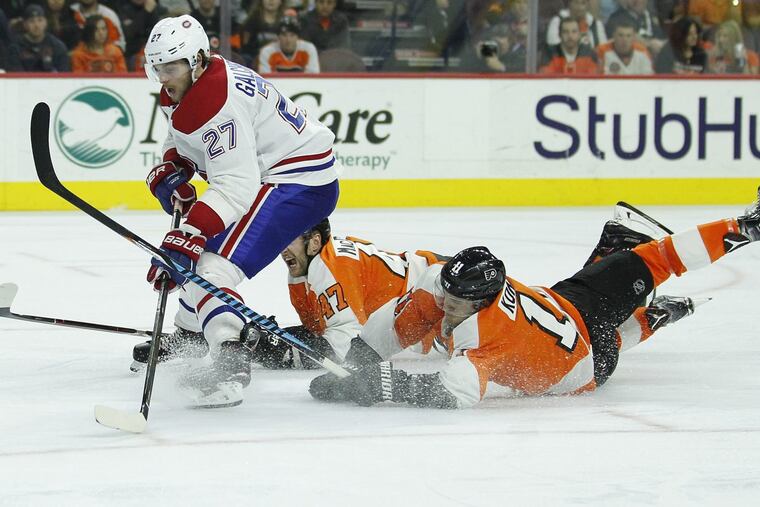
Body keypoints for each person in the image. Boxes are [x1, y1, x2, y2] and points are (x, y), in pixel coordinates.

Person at [309, 189, 760, 409]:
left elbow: (456, 392)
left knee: (641, 280)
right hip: (568, 312)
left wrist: (382, 385)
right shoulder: (447, 288)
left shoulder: (486, 336)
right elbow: (395, 324)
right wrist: (361, 360)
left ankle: (656, 312)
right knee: (638, 267)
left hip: (586, 359)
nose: (447, 303)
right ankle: (655, 301)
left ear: (484, 301)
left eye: (461, 302)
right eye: (447, 290)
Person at [131, 201, 673, 373]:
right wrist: (261, 337)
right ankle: (629, 268)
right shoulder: (316, 263)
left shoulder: (326, 272)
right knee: (565, 311)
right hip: (424, 295)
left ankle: (631, 257)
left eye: (291, 236)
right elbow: (329, 328)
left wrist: (263, 345)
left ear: (317, 239)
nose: (279, 244)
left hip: (435, 301)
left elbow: (344, 352)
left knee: (556, 318)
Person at [141, 14, 339, 408]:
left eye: (172, 66)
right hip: (275, 176)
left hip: (298, 183)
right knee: (196, 258)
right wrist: (173, 166)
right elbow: (180, 135)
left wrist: (190, 234)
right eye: (157, 66)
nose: (164, 76)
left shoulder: (218, 100)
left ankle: (230, 360)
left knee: (210, 264)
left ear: (197, 60)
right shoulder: (189, 85)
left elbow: (236, 186)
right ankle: (192, 335)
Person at [8, 3, 70, 72]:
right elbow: (16, 76)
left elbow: (64, 75)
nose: (36, 25)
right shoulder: (15, 47)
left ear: (45, 22)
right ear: (25, 24)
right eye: (31, 21)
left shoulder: (57, 46)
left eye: (40, 20)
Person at [240, 0, 285, 67]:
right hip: (255, 58)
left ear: (281, 1)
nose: (271, 1)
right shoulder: (251, 21)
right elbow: (246, 46)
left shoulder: (285, 21)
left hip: (280, 58)